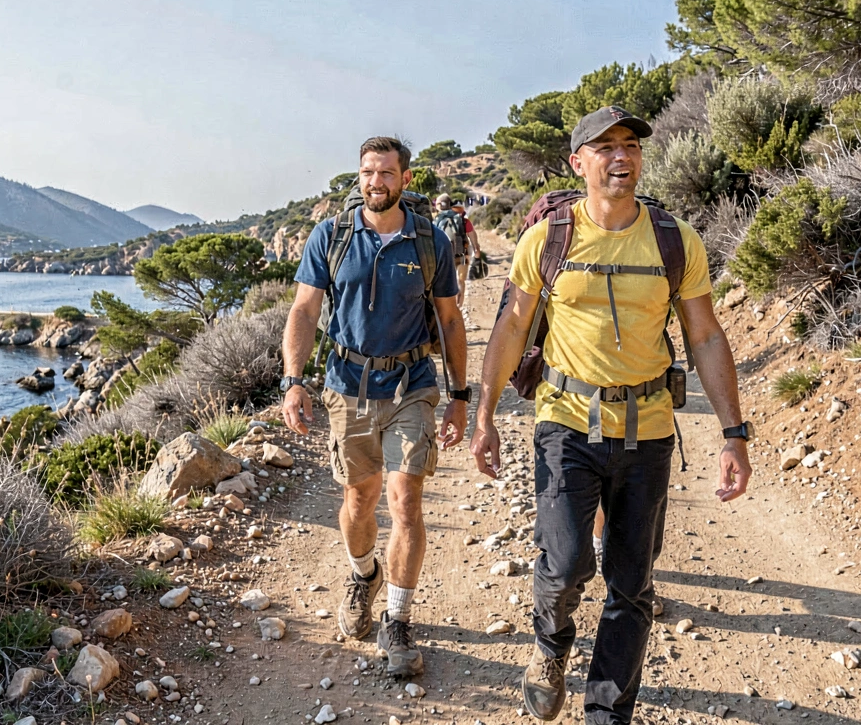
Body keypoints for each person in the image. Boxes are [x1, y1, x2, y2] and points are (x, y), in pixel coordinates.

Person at [468, 106, 754, 724]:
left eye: (629, 145)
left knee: (632, 585)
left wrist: (734, 434)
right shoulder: (549, 238)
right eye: (604, 147)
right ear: (578, 163)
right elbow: (514, 324)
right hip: (566, 422)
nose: (620, 156)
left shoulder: (675, 239)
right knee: (568, 562)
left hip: (648, 429)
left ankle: (607, 712)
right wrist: (484, 413)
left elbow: (704, 335)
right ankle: (550, 641)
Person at [281, 136, 469, 677]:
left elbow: (451, 321)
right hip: (347, 385)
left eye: (386, 173)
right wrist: (294, 380)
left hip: (411, 384)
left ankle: (399, 620)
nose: (376, 183)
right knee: (360, 503)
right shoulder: (331, 235)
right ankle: (364, 576)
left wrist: (460, 396)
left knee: (405, 501)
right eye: (367, 172)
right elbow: (304, 309)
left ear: (405, 179)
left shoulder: (429, 241)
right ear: (358, 176)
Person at [434, 195, 480, 308]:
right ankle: (459, 306)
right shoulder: (463, 220)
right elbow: (473, 236)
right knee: (461, 280)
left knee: (447, 280)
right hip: (463, 253)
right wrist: (477, 250)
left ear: (439, 205)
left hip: (445, 255)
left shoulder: (436, 220)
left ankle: (448, 307)